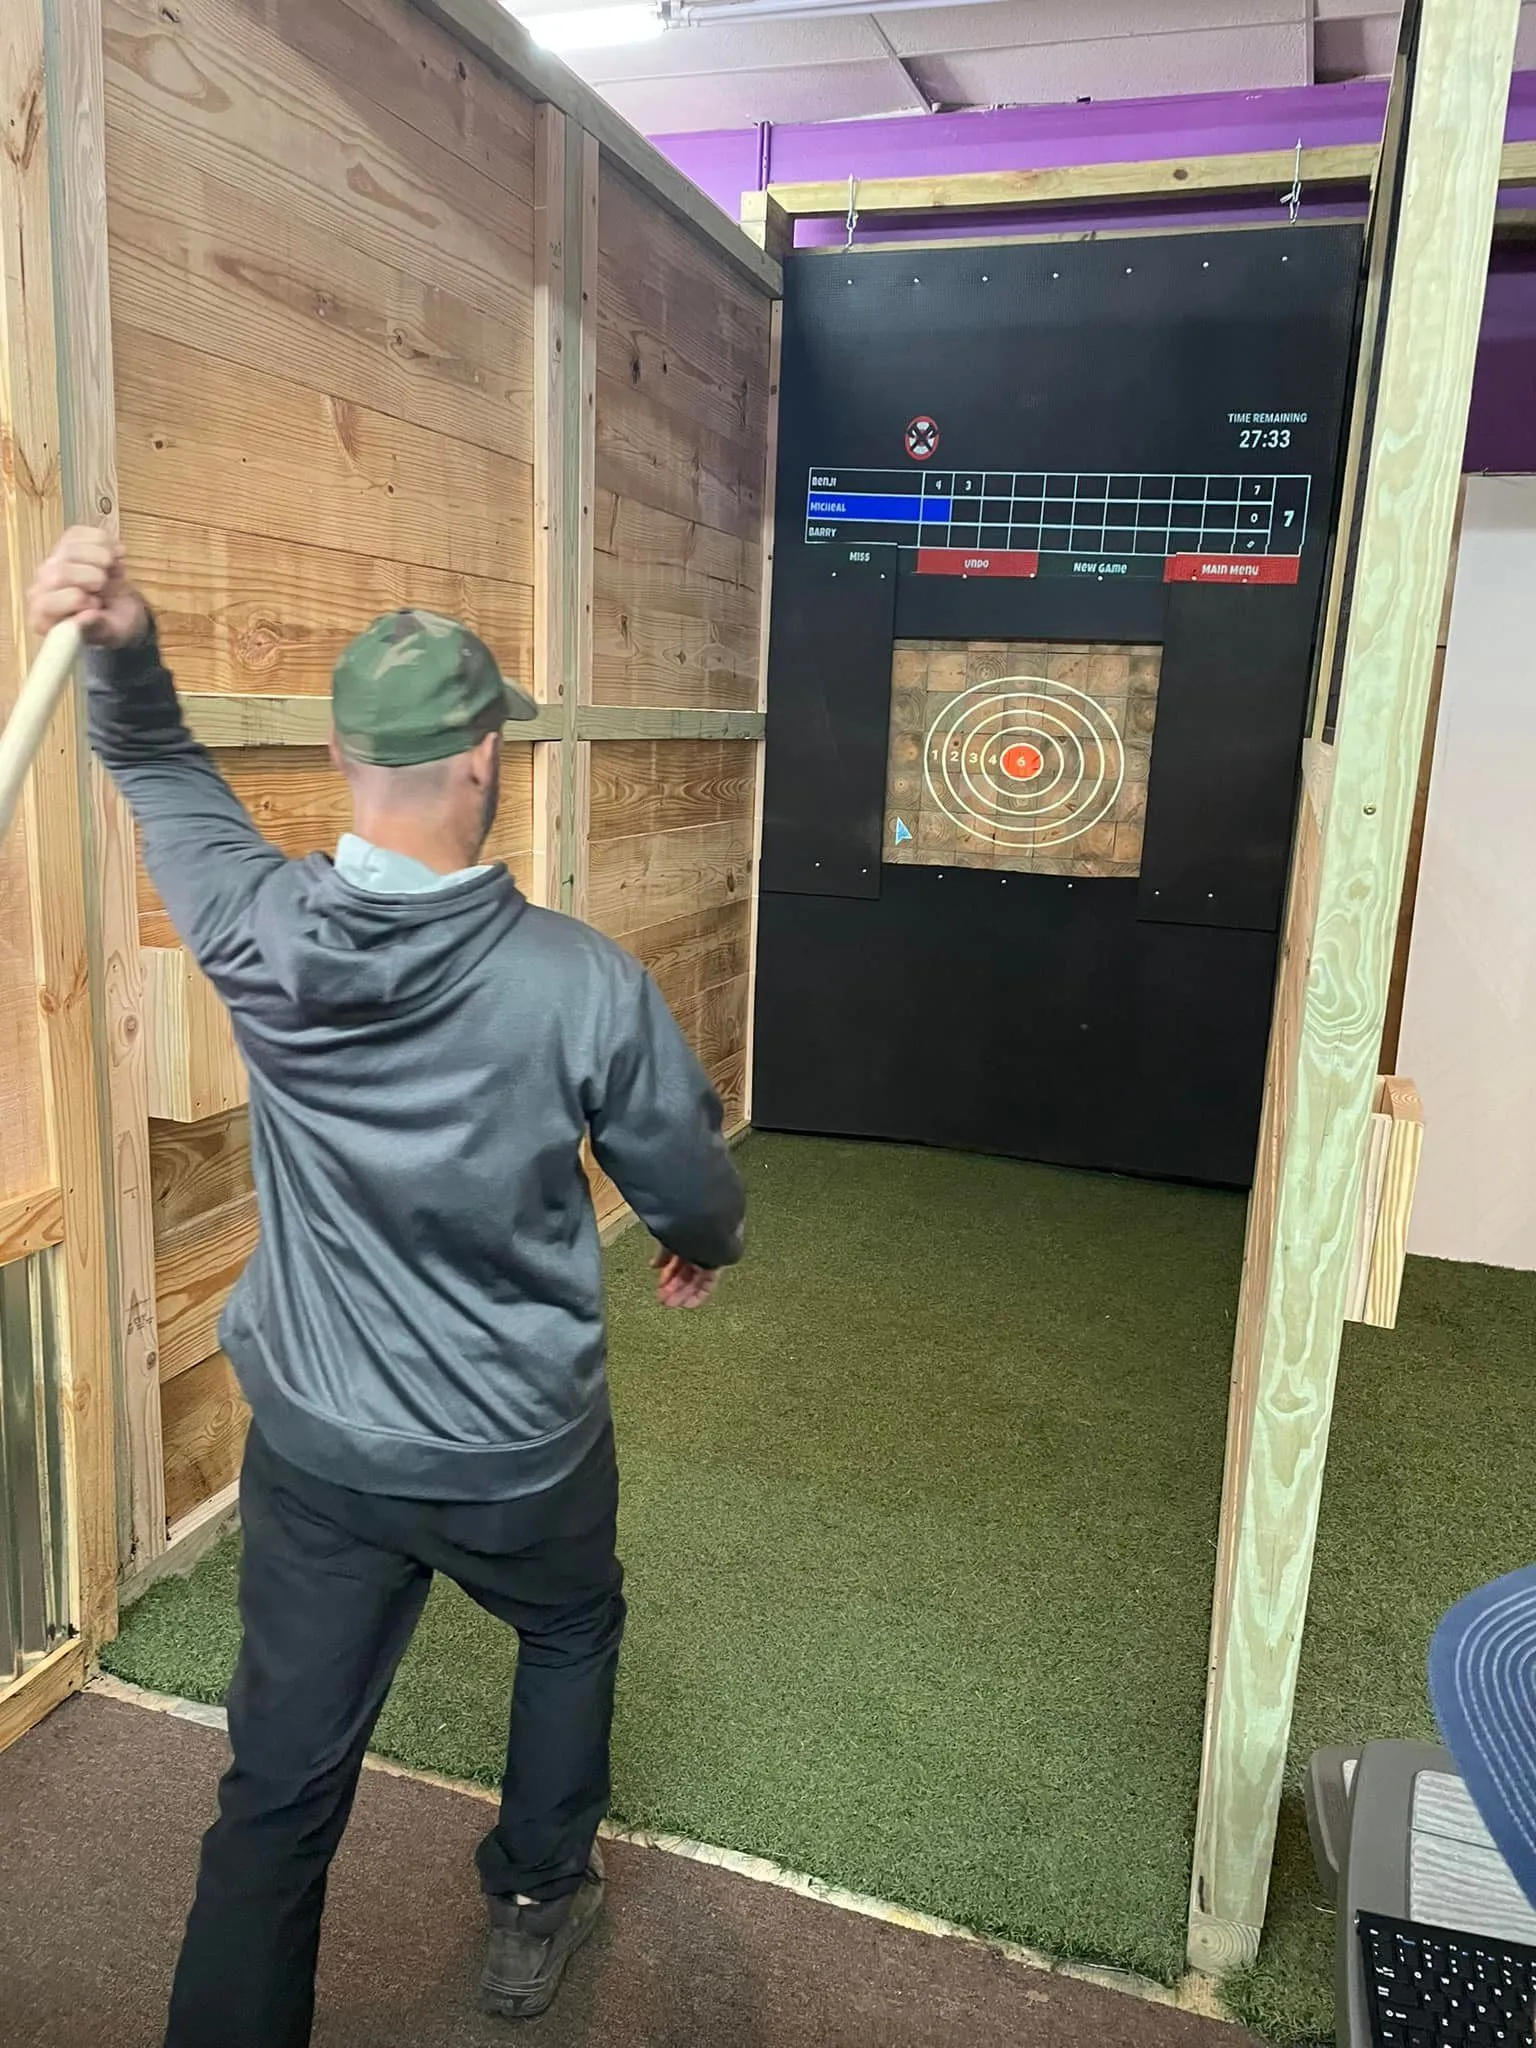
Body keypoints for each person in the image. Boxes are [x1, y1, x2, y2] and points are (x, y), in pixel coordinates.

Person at [27, 528, 746, 2045]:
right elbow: (687, 1177)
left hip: (321, 1455)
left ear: (343, 759)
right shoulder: (581, 982)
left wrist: (124, 646)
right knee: (571, 1629)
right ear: (484, 758)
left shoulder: (258, 930)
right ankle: (538, 1898)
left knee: (277, 1793)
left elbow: (152, 765)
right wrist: (702, 1237)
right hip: (516, 1455)